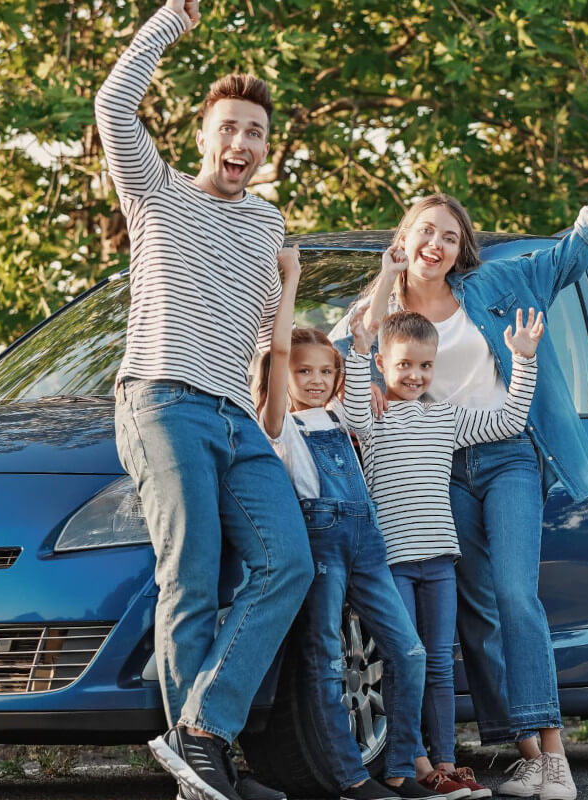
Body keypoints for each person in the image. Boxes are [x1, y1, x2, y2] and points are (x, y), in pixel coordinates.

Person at [346, 138, 588, 800]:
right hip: (437, 475)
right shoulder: (381, 317)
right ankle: (527, 756)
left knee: (516, 596)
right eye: (425, 231)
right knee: (477, 614)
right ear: (404, 238)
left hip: (507, 456)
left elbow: (571, 258)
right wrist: (381, 281)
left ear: (461, 251)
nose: (437, 244)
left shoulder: (491, 285)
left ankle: (554, 759)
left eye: (450, 237)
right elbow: (350, 357)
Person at [95, 1, 313, 798]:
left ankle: (201, 735)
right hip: (162, 399)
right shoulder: (154, 194)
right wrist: (167, 22)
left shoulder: (266, 223)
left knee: (289, 561)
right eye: (228, 128)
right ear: (203, 136)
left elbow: (263, 330)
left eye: (254, 133)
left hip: (236, 415)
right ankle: (206, 771)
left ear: (264, 149)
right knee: (189, 569)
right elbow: (113, 105)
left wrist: (289, 299)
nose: (241, 144)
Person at [252, 248, 441, 800]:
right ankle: (350, 778)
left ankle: (402, 766)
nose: (314, 380)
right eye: (302, 372)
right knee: (325, 659)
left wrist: (387, 274)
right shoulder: (276, 423)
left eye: (324, 372)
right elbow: (278, 344)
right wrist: (289, 280)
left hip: (368, 539)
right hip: (322, 543)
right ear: (281, 374)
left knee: (409, 652)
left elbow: (364, 334)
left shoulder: (343, 411)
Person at [345, 280, 547, 799]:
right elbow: (347, 408)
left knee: (438, 661)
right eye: (404, 365)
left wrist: (521, 362)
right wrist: (361, 349)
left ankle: (446, 763)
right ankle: (408, 761)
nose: (414, 375)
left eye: (425, 366)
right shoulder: (373, 415)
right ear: (385, 367)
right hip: (392, 561)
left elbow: (509, 420)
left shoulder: (446, 418)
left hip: (439, 562)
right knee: (403, 659)